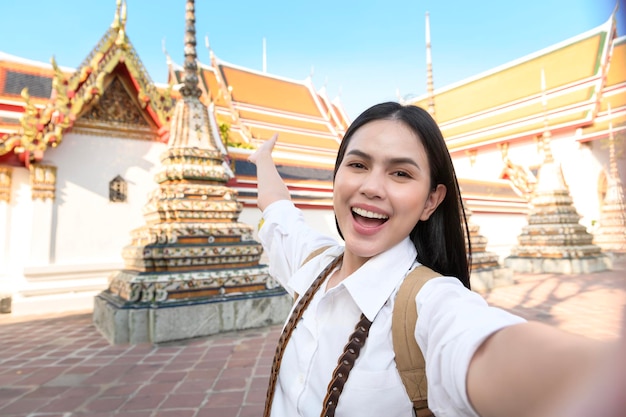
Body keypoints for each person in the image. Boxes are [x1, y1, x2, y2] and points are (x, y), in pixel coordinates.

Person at [249, 102, 616, 417]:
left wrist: (602, 375)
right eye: (358, 165)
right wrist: (262, 158)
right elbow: (278, 207)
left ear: (431, 201)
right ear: (337, 176)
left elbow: (487, 348)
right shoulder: (311, 262)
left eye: (400, 173)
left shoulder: (430, 304)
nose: (372, 187)